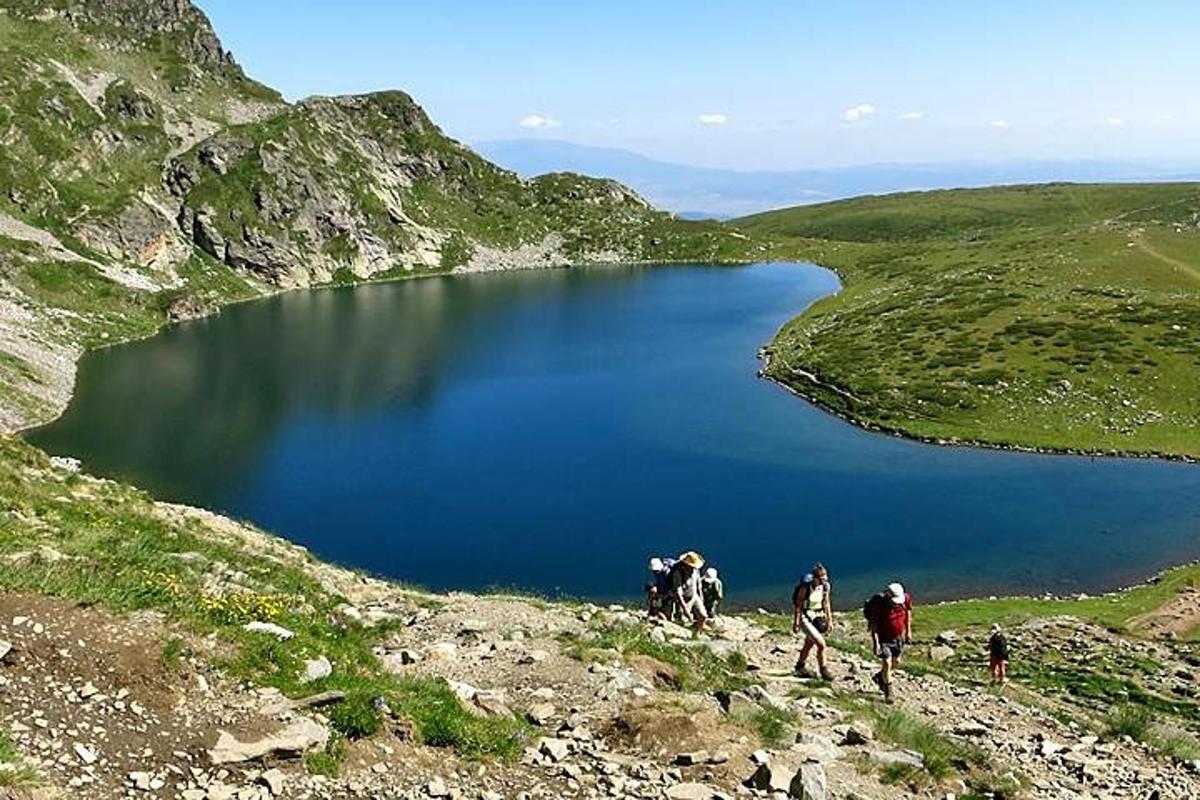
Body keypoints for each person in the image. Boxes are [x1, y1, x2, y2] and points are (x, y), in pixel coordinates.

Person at [865, 581, 913, 701]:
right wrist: (876, 644)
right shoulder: (880, 606)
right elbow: (874, 626)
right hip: (884, 639)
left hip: (898, 638)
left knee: (896, 662)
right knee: (887, 662)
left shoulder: (905, 599)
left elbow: (908, 613)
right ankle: (888, 691)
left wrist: (908, 631)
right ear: (889, 596)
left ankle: (880, 677)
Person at [792, 563, 834, 680]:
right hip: (805, 618)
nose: (823, 582)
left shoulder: (825, 587)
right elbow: (798, 606)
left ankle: (800, 666)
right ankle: (824, 670)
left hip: (817, 617)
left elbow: (826, 604)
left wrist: (829, 621)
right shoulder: (805, 588)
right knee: (821, 644)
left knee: (809, 644)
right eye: (821, 580)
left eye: (825, 579)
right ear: (815, 578)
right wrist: (796, 623)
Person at [670, 551, 708, 633]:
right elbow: (678, 592)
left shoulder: (696, 571)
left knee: (703, 616)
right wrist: (685, 608)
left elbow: (698, 585)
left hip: (694, 596)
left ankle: (697, 632)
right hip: (683, 599)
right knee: (683, 621)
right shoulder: (678, 573)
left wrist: (701, 597)